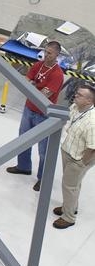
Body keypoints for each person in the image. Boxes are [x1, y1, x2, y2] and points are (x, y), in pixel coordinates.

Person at [5, 40, 65, 191]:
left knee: (44, 150)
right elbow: (25, 83)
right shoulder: (38, 65)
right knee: (23, 139)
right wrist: (33, 87)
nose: (46, 55)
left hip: (44, 115)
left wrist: (32, 86)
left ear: (57, 54)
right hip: (29, 109)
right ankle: (24, 166)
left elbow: (44, 95)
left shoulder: (57, 74)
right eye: (45, 51)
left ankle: (43, 178)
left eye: (50, 53)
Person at [53, 84, 95, 229]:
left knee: (69, 186)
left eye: (80, 95)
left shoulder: (92, 122)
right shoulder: (75, 107)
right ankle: (69, 206)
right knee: (73, 184)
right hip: (69, 149)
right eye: (76, 94)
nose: (75, 96)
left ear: (89, 101)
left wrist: (82, 163)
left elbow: (92, 147)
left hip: (79, 157)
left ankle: (69, 217)